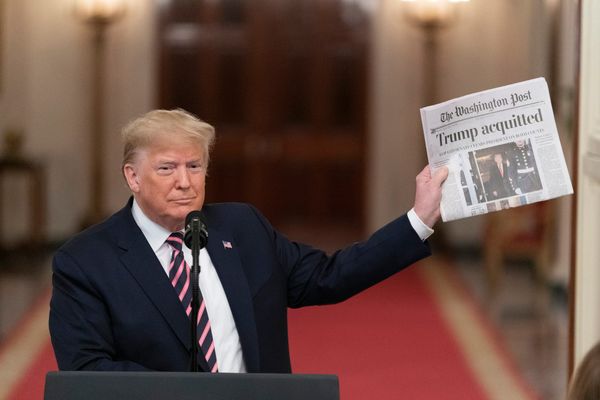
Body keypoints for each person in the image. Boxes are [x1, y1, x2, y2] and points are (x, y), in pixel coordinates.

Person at [49, 109, 448, 373]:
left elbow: (328, 276)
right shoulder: (86, 261)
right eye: (167, 168)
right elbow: (87, 369)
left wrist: (419, 220)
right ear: (132, 177)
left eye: (195, 166)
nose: (185, 182)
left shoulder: (242, 228)